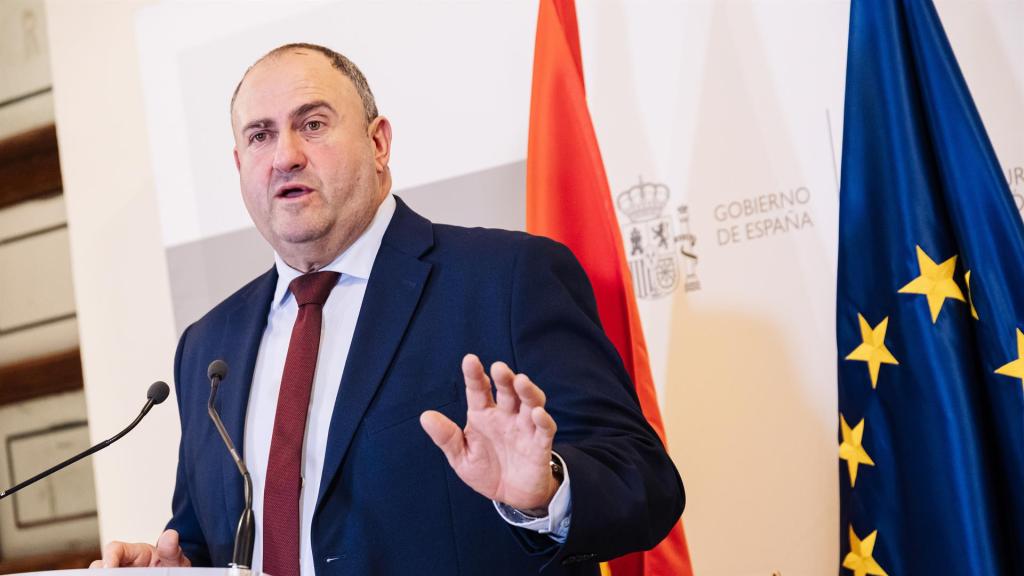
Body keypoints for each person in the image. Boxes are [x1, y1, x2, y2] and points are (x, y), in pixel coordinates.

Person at [92, 43, 683, 576]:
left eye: (313, 124)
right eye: (260, 136)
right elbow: (206, 535)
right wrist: (174, 565)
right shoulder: (206, 346)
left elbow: (645, 482)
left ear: (379, 143)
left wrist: (544, 492)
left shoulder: (507, 278)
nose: (285, 156)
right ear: (240, 165)